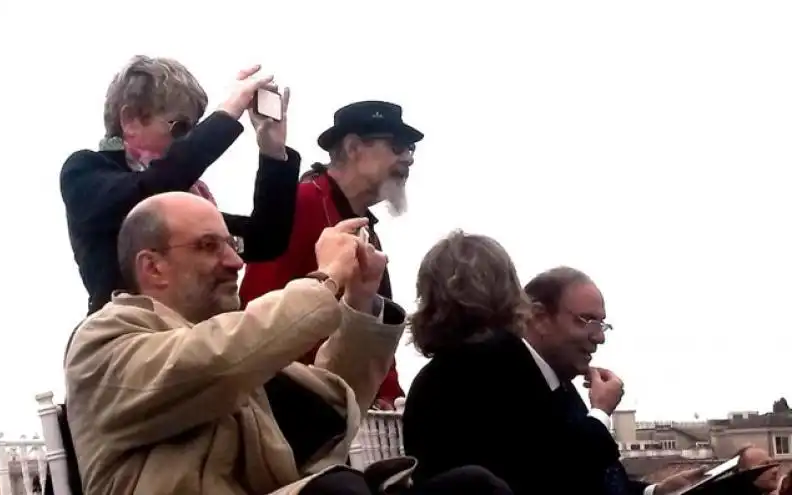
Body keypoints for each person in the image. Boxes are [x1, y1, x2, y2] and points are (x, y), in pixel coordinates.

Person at [64, 193, 512, 495]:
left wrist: (357, 293)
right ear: (153, 268)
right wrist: (324, 280)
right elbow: (215, 361)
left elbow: (332, 404)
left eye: (231, 243)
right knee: (335, 492)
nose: (234, 260)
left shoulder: (237, 349)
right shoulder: (104, 341)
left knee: (472, 487)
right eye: (208, 246)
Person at [401, 243, 706, 495]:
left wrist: (653, 492)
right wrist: (599, 414)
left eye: (602, 324)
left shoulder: (552, 383)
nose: (599, 337)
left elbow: (590, 482)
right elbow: (549, 475)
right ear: (535, 314)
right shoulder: (483, 374)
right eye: (587, 321)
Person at [60, 55, 300, 316]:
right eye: (181, 127)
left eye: (195, 128)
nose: (190, 139)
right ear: (130, 120)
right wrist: (227, 113)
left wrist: (272, 151)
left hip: (194, 338)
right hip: (132, 338)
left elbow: (265, 239)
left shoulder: (184, 194)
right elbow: (152, 190)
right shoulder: (86, 171)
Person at [239, 100, 422, 409]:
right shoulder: (304, 202)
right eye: (397, 145)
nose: (408, 157)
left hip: (338, 406)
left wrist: (388, 392)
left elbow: (373, 322)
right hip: (291, 408)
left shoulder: (364, 229)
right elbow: (256, 304)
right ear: (352, 147)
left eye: (410, 149)